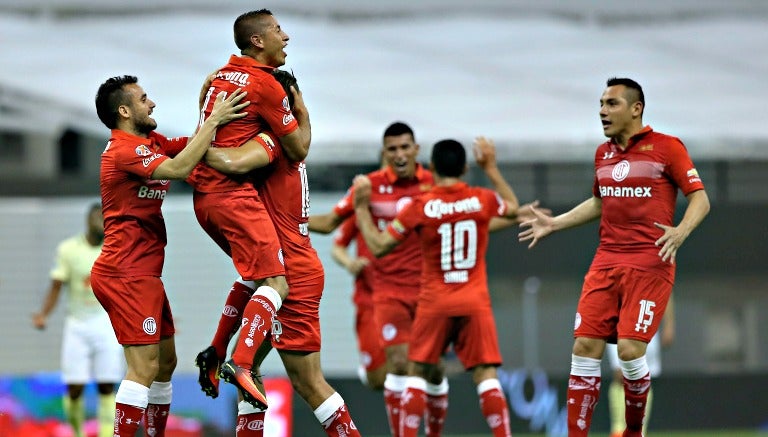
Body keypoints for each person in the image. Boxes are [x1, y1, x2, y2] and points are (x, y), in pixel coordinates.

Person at [519, 77, 710, 437]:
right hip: (606, 261)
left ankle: (633, 431)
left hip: (649, 264)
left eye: (612, 104)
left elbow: (700, 197)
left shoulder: (667, 148)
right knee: (584, 345)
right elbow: (599, 201)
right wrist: (555, 223)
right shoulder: (603, 154)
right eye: (601, 104)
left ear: (636, 109)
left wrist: (680, 232)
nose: (602, 111)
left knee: (629, 350)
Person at [199, 69, 360, 436]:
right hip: (284, 263)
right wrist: (217, 345)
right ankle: (240, 367)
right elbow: (247, 282)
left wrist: (192, 147)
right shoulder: (288, 141)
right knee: (250, 372)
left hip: (294, 273)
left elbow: (233, 162)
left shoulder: (270, 143)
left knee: (309, 383)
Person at [91, 74, 248, 436]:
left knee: (165, 363)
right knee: (144, 368)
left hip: (143, 273)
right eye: (144, 98)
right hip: (124, 272)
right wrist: (214, 119)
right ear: (125, 110)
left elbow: (194, 145)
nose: (153, 103)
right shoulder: (124, 151)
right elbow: (180, 169)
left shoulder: (151, 142)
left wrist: (208, 106)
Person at [353, 137, 528, 437]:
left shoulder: (422, 206)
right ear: (464, 167)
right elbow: (513, 208)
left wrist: (360, 209)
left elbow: (380, 246)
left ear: (431, 167)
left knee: (418, 372)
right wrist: (491, 168)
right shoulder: (481, 199)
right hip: (475, 301)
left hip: (434, 303)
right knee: (486, 375)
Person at [187, 9, 312, 411]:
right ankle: (240, 362)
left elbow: (209, 130)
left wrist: (202, 153)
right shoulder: (266, 93)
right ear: (257, 41)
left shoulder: (219, 78)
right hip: (231, 198)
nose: (286, 37)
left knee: (253, 278)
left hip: (204, 200)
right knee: (277, 284)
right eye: (278, 31)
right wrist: (300, 113)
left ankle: (217, 349)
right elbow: (299, 149)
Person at [309, 121, 451, 437]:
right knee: (389, 372)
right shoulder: (368, 188)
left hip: (428, 292)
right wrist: (288, 219)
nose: (399, 154)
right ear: (383, 153)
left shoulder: (433, 183)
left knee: (432, 369)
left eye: (405, 147)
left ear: (416, 149)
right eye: (392, 149)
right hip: (379, 293)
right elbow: (332, 225)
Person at [32, 203, 123, 437]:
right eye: (97, 217)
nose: (101, 221)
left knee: (106, 385)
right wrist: (44, 314)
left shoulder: (116, 249)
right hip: (77, 324)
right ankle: (76, 432)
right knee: (74, 387)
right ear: (88, 220)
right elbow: (56, 286)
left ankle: (106, 433)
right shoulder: (68, 249)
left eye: (105, 218)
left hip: (107, 322)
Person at [330, 216, 387, 390]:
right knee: (377, 380)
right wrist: (350, 263)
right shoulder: (363, 206)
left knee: (411, 370)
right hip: (369, 300)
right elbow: (337, 247)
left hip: (406, 297)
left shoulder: (409, 205)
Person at [607, 296, 675, 437]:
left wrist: (669, 324)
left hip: (646, 321)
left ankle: (639, 431)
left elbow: (665, 288)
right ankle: (619, 429)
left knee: (644, 377)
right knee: (621, 375)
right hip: (621, 320)